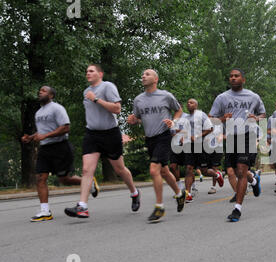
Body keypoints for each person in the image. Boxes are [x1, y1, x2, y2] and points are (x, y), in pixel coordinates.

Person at [65, 64, 139, 218]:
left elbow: (117, 109)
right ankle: (83, 206)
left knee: (120, 170)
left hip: (110, 134)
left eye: (91, 71)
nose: (87, 73)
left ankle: (134, 192)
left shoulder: (107, 87)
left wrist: (96, 99)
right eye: (86, 71)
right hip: (92, 134)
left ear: (100, 73)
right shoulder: (86, 91)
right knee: (87, 170)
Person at [23, 86, 98, 222]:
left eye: (44, 91)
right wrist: (31, 137)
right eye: (39, 91)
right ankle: (45, 211)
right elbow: (42, 132)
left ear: (51, 95)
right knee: (40, 178)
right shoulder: (38, 113)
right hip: (45, 149)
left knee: (64, 179)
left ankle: (89, 183)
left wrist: (45, 136)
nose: (40, 92)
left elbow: (65, 127)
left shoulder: (57, 108)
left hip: (60, 147)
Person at [127, 69, 187, 222]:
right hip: (150, 138)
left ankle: (159, 207)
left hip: (164, 136)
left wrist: (174, 122)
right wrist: (134, 120)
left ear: (156, 79)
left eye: (147, 74)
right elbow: (140, 118)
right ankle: (180, 194)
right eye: (142, 74)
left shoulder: (165, 96)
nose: (143, 76)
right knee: (165, 171)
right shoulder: (138, 100)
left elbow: (179, 110)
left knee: (154, 170)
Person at [209, 68, 266, 222]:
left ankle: (237, 209)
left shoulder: (253, 96)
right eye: (231, 76)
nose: (233, 78)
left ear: (243, 79)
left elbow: (263, 113)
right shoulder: (222, 98)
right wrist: (221, 119)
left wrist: (257, 117)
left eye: (237, 76)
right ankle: (254, 181)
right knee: (234, 170)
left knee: (241, 170)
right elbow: (211, 118)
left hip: (248, 135)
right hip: (232, 137)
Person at [182, 98, 224, 203]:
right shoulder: (186, 117)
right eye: (187, 103)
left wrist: (197, 136)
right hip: (190, 146)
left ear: (196, 105)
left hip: (201, 146)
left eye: (191, 102)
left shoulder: (201, 115)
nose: (188, 104)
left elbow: (210, 129)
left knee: (205, 171)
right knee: (189, 168)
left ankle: (217, 174)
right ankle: (188, 194)